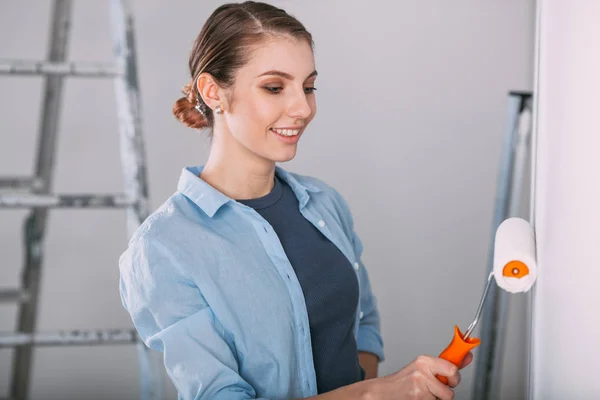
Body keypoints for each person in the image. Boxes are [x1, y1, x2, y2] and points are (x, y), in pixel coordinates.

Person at [118, 2, 471, 399]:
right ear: (213, 91)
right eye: (274, 87)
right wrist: (374, 394)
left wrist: (380, 390)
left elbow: (363, 323)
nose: (302, 108)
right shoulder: (164, 248)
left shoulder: (324, 204)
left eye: (308, 86)